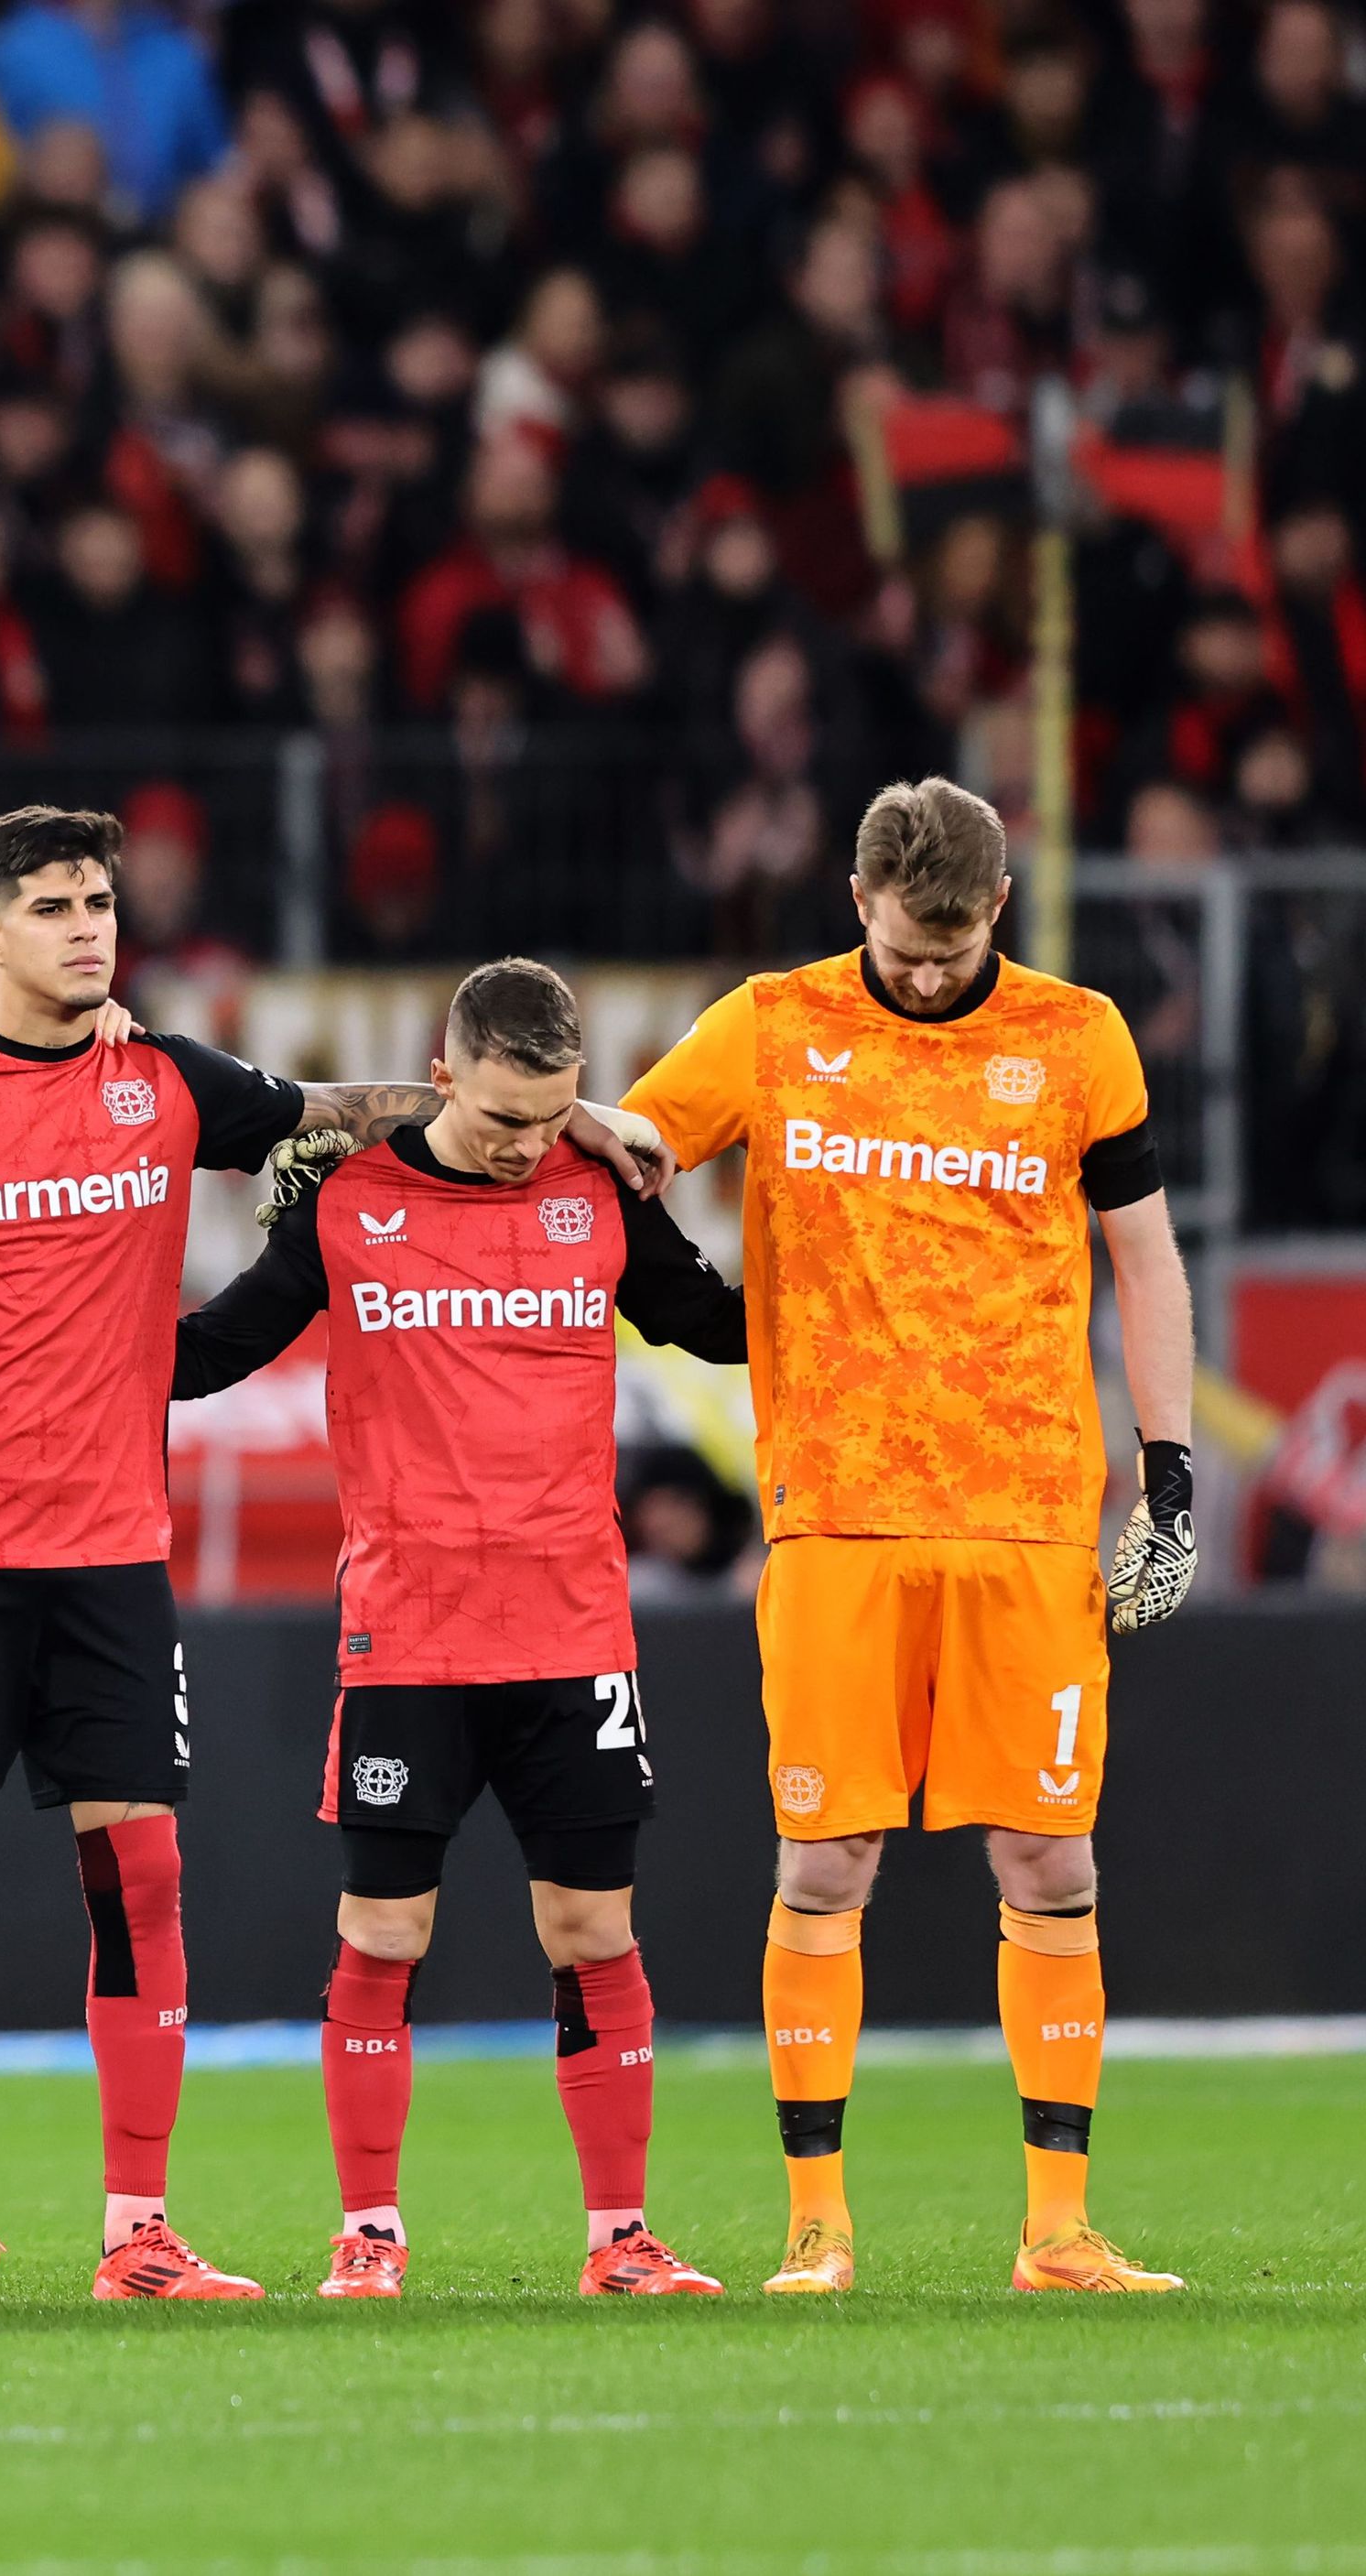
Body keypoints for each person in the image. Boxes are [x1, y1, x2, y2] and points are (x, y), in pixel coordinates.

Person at [0, 804, 665, 2304]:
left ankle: (137, 2229)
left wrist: (570, 1122)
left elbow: (345, 1111)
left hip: (107, 1548)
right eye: (51, 905)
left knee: (143, 1880)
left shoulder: (167, 1083)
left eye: (99, 899)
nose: (87, 925)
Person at [620, 777, 1201, 2296]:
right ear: (859, 903)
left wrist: (1174, 1468)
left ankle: (1058, 2227)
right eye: (908, 944)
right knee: (825, 1859)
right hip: (837, 1514)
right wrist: (690, 1307)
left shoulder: (1078, 1039)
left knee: (1049, 1851)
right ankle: (818, 2225)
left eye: (955, 948)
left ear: (993, 911)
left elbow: (1143, 1252)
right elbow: (627, 1149)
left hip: (1027, 1513)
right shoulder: (771, 1022)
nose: (932, 972)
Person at [167, 958, 749, 2299]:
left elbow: (716, 1325)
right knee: (382, 1936)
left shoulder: (598, 1193)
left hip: (574, 1631)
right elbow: (212, 1351)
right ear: (440, 1076)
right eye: (499, 1119)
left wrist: (851, 1261)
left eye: (551, 1118)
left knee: (594, 1932)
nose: (523, 1147)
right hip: (410, 1635)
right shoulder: (347, 1202)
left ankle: (621, 2239)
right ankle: (367, 2232)